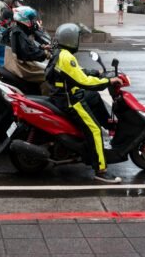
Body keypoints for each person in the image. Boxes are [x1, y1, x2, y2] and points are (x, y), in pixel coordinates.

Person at [46, 23, 122, 183]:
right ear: (71, 39)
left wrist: (98, 72)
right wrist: (108, 81)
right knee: (95, 130)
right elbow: (85, 82)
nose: (79, 41)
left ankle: (109, 125)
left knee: (93, 96)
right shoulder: (66, 57)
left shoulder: (61, 53)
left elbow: (77, 72)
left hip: (61, 95)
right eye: (78, 38)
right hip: (70, 100)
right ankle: (101, 170)